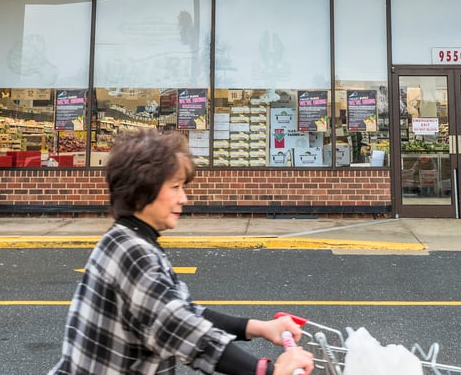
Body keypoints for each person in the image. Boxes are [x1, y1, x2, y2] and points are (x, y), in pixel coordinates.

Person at [50, 130, 314, 375]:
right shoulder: (131, 252)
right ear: (141, 192)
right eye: (175, 187)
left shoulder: (129, 239)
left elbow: (184, 311)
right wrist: (267, 370)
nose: (184, 198)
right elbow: (181, 329)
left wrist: (261, 328)